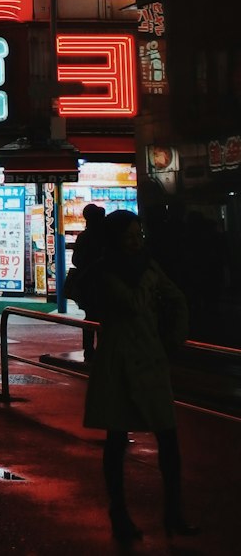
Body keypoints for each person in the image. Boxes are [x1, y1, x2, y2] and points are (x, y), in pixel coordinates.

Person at [81, 209, 196, 543]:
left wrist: (175, 336)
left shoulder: (148, 266)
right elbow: (132, 303)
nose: (136, 241)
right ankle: (119, 512)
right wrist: (149, 282)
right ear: (115, 239)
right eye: (130, 236)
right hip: (118, 361)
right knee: (116, 440)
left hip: (149, 357)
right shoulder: (107, 271)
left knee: (168, 439)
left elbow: (176, 297)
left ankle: (174, 512)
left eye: (139, 234)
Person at [69, 203, 106, 359]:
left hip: (86, 283)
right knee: (104, 317)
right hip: (104, 282)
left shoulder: (83, 237)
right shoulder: (107, 237)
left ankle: (89, 350)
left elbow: (76, 260)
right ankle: (104, 349)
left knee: (90, 316)